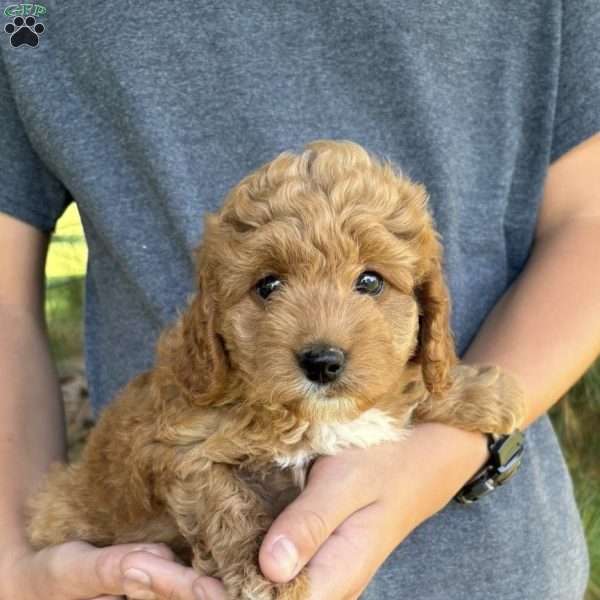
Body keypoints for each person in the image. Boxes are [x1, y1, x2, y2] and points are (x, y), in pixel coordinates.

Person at [0, 3, 598, 599]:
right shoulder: (22, 18)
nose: (323, 336)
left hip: (491, 570)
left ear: (428, 305)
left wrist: (443, 443)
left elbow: (589, 218)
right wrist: (11, 564)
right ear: (209, 316)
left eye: (369, 283)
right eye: (268, 286)